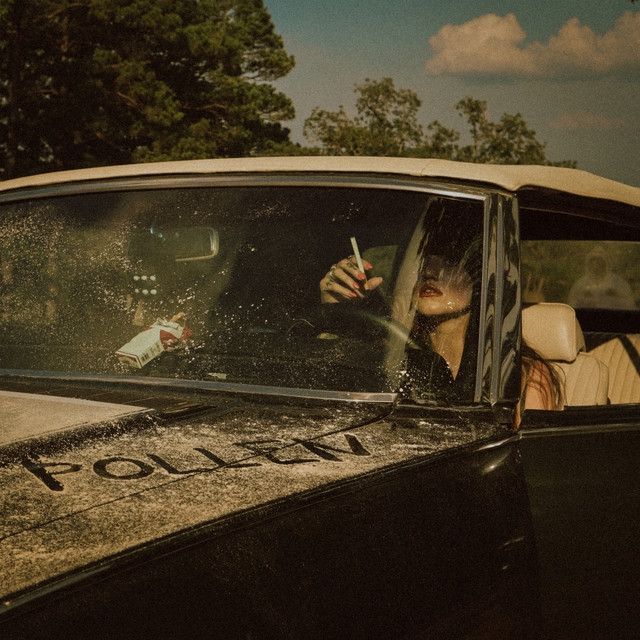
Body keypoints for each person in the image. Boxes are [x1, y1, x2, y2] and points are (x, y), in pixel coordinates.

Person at [320, 250, 563, 413]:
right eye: (422, 261)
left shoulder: (518, 375)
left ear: (482, 280)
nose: (429, 271)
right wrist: (336, 313)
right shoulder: (390, 356)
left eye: (450, 262)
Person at [567, 244, 636, 310]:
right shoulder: (580, 284)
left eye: (599, 260)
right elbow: (571, 308)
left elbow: (629, 306)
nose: (596, 263)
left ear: (606, 261)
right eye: (593, 259)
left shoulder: (619, 283)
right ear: (588, 262)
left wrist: (614, 296)